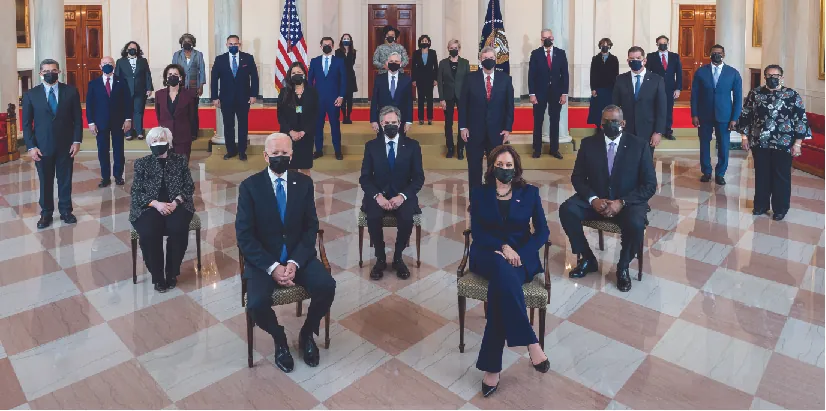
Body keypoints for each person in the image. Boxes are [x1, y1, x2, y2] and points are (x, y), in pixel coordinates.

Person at [236, 133, 337, 373]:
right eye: (275, 154)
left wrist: (294, 261)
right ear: (265, 156)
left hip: (297, 256)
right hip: (264, 260)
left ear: (291, 155)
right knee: (257, 303)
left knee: (327, 286)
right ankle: (279, 338)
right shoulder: (250, 187)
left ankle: (306, 334)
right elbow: (244, 235)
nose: (280, 158)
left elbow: (310, 226)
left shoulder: (303, 183)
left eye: (284, 154)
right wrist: (273, 267)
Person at [468, 144, 550, 398]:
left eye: (509, 165)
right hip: (487, 253)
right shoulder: (479, 193)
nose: (504, 169)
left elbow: (543, 232)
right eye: (500, 165)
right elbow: (478, 233)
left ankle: (492, 367)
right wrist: (503, 247)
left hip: (521, 258)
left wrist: (520, 254)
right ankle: (531, 342)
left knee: (501, 289)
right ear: (492, 167)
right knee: (502, 273)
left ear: (516, 168)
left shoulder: (529, 193)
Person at [559, 105, 656, 292]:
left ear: (623, 123)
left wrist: (622, 202)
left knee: (636, 223)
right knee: (567, 209)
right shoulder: (589, 144)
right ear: (601, 123)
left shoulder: (639, 145)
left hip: (627, 202)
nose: (611, 124)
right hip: (596, 200)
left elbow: (650, 185)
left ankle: (623, 266)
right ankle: (588, 258)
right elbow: (577, 177)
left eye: (615, 121)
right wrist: (593, 199)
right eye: (606, 121)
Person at [738, 65, 811, 221]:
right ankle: (761, 205)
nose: (772, 78)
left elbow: (800, 120)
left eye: (776, 75)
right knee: (762, 175)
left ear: (781, 77)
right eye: (769, 75)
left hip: (784, 143)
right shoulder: (755, 93)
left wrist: (797, 143)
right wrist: (744, 137)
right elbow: (746, 115)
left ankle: (780, 209)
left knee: (781, 176)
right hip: (760, 143)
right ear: (764, 77)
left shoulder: (792, 95)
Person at [359, 106, 424, 281]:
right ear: (381, 124)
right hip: (378, 195)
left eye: (394, 122)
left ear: (400, 123)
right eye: (387, 123)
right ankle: (380, 258)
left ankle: (397, 257)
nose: (390, 126)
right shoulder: (371, 146)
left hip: (403, 195)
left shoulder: (412, 146)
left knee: (407, 218)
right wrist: (377, 197)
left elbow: (418, 178)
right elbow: (364, 178)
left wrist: (402, 196)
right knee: (373, 217)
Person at [129, 127, 195, 293]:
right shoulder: (142, 163)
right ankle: (157, 277)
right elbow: (136, 192)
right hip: (149, 206)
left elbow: (189, 186)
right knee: (150, 232)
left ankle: (172, 273)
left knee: (178, 229)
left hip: (176, 205)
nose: (158, 144)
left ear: (169, 143)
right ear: (149, 144)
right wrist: (156, 204)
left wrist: (175, 202)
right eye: (154, 141)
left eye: (161, 140)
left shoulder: (180, 160)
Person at [22, 59, 83, 229]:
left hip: (66, 146)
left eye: (54, 70)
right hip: (42, 147)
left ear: (59, 72)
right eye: (47, 71)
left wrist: (76, 141)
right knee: (45, 181)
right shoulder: (31, 95)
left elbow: (77, 119)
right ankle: (46, 213)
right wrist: (31, 146)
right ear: (40, 73)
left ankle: (65, 211)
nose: (50, 73)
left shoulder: (70, 92)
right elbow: (26, 124)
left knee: (65, 180)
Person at [459, 46, 514, 191]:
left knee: (494, 169)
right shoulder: (470, 79)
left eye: (491, 58)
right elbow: (463, 104)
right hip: (474, 132)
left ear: (495, 60)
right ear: (480, 60)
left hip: (496, 132)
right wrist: (463, 127)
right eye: (485, 58)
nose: (488, 61)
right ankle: (475, 201)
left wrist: (507, 128)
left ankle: (491, 198)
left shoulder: (505, 79)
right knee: (474, 169)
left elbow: (510, 106)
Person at [690, 44, 742, 185]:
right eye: (714, 53)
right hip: (704, 114)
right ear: (710, 55)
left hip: (725, 115)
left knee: (724, 145)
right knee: (704, 144)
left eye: (719, 53)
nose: (716, 55)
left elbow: (738, 98)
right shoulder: (701, 72)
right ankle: (706, 171)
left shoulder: (733, 73)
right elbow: (694, 95)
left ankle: (720, 173)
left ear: (723, 55)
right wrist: (694, 114)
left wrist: (735, 118)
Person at [210, 35, 260, 161]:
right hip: (225, 99)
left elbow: (254, 77)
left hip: (244, 98)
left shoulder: (248, 58)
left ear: (240, 44)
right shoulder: (220, 59)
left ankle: (242, 151)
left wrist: (254, 94)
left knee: (243, 125)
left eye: (235, 44)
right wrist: (214, 97)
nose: (233, 46)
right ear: (226, 45)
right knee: (228, 125)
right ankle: (231, 150)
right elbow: (214, 80)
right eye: (230, 44)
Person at [86, 56, 133, 187]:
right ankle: (105, 177)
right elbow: (89, 105)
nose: (107, 65)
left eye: (110, 63)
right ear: (100, 66)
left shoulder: (122, 82)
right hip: (100, 123)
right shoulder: (93, 84)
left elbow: (127, 102)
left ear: (114, 65)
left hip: (118, 122)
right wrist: (91, 122)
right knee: (102, 150)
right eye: (104, 63)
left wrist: (128, 119)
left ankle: (118, 175)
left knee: (119, 149)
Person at [612, 46, 666, 155]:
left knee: (646, 165)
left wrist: (658, 132)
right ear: (628, 61)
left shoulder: (657, 80)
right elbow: (615, 105)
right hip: (626, 129)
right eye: (631, 59)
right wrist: (617, 124)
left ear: (644, 60)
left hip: (648, 130)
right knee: (627, 163)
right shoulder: (620, 79)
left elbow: (661, 108)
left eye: (638, 58)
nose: (635, 61)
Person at [528, 29, 569, 159]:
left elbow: (565, 75)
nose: (547, 39)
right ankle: (537, 149)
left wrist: (564, 93)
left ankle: (554, 149)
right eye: (544, 37)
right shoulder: (535, 54)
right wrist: (532, 94)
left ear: (553, 38)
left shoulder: (561, 53)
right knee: (538, 121)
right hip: (539, 93)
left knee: (555, 120)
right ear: (541, 39)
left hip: (556, 93)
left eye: (549, 37)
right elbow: (531, 75)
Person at [308, 36, 347, 160]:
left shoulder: (339, 61)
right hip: (318, 100)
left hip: (334, 100)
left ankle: (337, 151)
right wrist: (310, 97)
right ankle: (318, 150)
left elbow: (344, 81)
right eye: (324, 44)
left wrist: (341, 96)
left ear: (333, 46)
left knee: (335, 125)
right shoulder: (314, 61)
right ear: (320, 46)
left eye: (329, 44)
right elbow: (309, 81)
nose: (327, 46)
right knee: (318, 126)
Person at [278, 62, 319, 175]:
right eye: (294, 73)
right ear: (290, 75)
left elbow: (316, 115)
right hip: (289, 136)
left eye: (299, 72)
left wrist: (304, 131)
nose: (296, 75)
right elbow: (280, 116)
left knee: (305, 168)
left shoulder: (312, 92)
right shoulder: (284, 92)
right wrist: (290, 132)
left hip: (306, 135)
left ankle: (306, 192)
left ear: (304, 74)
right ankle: (292, 191)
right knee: (291, 169)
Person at [154, 64, 198, 159]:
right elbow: (159, 115)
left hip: (183, 137)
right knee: (166, 168)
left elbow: (193, 117)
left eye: (175, 74)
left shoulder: (189, 95)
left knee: (181, 168)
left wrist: (192, 135)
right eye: (169, 74)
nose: (172, 76)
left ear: (181, 78)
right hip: (165, 138)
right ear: (166, 78)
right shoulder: (159, 95)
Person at [437, 39, 470, 159]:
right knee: (448, 123)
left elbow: (468, 81)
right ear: (448, 49)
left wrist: (468, 97)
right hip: (448, 96)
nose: (453, 50)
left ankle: (461, 148)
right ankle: (450, 148)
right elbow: (440, 82)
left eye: (455, 47)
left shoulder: (465, 63)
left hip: (462, 96)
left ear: (459, 49)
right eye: (451, 48)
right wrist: (441, 98)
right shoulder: (443, 63)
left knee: (463, 123)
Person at [645, 35, 682, 141]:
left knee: (668, 109)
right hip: (655, 88)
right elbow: (647, 73)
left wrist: (678, 88)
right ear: (657, 44)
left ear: (668, 43)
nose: (663, 45)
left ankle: (667, 131)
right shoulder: (651, 56)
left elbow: (679, 73)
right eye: (660, 43)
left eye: (665, 43)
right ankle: (656, 130)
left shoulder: (674, 56)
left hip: (670, 88)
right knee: (655, 108)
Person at [115, 41, 153, 140]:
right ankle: (128, 132)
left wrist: (149, 88)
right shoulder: (120, 61)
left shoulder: (143, 61)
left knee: (138, 111)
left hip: (140, 90)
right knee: (127, 111)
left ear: (137, 50)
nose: (132, 49)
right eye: (130, 48)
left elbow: (147, 75)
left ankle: (139, 131)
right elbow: (117, 76)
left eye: (135, 48)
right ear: (127, 49)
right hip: (125, 91)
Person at [370, 53, 413, 135]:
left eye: (396, 61)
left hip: (400, 119)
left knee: (399, 143)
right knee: (382, 143)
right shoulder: (379, 79)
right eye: (391, 61)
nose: (394, 63)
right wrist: (373, 120)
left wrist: (409, 121)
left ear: (400, 64)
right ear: (387, 63)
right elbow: (374, 100)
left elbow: (409, 101)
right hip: (383, 119)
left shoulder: (406, 79)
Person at [172, 33, 206, 136]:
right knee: (180, 110)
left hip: (193, 87)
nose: (187, 43)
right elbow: (173, 70)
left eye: (189, 42)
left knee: (193, 111)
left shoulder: (198, 54)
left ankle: (193, 133)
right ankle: (182, 132)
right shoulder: (177, 55)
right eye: (185, 42)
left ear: (193, 43)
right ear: (181, 43)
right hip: (180, 87)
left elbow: (202, 71)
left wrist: (201, 86)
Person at [587, 38, 619, 130]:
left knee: (609, 108)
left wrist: (615, 88)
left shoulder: (614, 59)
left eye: (607, 45)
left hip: (610, 88)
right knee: (597, 109)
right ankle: (598, 127)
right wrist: (593, 88)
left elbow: (616, 74)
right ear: (600, 46)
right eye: (603, 45)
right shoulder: (595, 59)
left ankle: (609, 127)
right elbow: (592, 74)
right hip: (599, 88)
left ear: (609, 46)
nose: (605, 47)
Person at [412, 34, 438, 125]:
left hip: (430, 79)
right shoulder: (416, 53)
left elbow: (436, 67)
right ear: (420, 42)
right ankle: (421, 119)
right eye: (422, 41)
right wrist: (414, 79)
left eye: (426, 41)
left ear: (429, 42)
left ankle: (430, 118)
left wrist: (436, 79)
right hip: (419, 79)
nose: (424, 42)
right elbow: (413, 67)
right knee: (421, 100)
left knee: (430, 99)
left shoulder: (433, 52)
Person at [335, 33, 358, 124]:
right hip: (341, 77)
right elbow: (338, 64)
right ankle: (344, 116)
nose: (346, 40)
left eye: (348, 38)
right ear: (341, 40)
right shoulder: (338, 51)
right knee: (343, 98)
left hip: (350, 77)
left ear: (350, 40)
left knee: (350, 99)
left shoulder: (353, 52)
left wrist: (348, 53)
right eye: (344, 38)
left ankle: (349, 116)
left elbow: (351, 63)